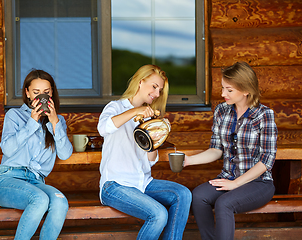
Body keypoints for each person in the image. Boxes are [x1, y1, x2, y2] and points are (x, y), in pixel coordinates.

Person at [184, 62, 277, 240]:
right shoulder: (221, 111)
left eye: (229, 90)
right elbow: (216, 149)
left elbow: (267, 160)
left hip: (259, 183)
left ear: (246, 90)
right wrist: (189, 160)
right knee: (198, 196)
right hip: (228, 178)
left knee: (224, 203)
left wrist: (236, 184)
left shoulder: (264, 115)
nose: (222, 94)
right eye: (222, 88)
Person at [98, 64, 192, 240]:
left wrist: (158, 135)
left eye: (160, 90)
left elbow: (150, 160)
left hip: (143, 183)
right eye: (154, 87)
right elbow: (103, 128)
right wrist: (136, 111)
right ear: (141, 82)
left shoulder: (149, 117)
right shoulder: (115, 107)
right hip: (115, 185)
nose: (157, 94)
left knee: (183, 194)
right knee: (159, 215)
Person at [0, 69, 73, 240]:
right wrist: (32, 121)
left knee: (60, 201)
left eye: (46, 92)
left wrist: (54, 122)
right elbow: (7, 149)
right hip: (8, 180)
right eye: (36, 93)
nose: (41, 97)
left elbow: (65, 154)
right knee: (40, 200)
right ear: (28, 94)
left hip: (36, 182)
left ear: (52, 93)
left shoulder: (58, 121)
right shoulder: (14, 115)